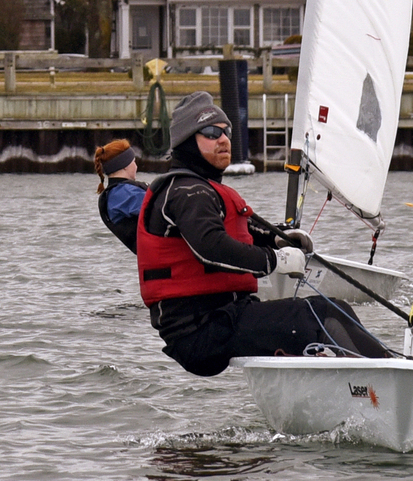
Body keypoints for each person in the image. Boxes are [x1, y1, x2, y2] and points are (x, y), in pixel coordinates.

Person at [137, 91, 389, 377]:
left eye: (227, 131)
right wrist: (275, 260)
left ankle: (356, 379)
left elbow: (248, 229)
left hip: (220, 319)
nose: (223, 139)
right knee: (325, 312)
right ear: (187, 142)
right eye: (210, 132)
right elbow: (211, 247)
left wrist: (280, 238)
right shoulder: (187, 192)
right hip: (200, 330)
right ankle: (389, 376)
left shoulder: (202, 189)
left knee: (318, 323)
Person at [94, 139, 146, 254]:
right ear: (125, 166)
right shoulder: (122, 192)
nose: (136, 166)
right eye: (134, 162)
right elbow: (158, 208)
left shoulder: (119, 191)